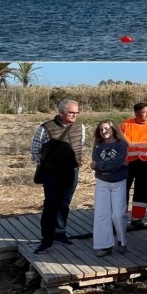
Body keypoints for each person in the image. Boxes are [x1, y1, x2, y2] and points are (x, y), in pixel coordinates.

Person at [31, 99, 86, 254]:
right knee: (50, 205)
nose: (75, 115)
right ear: (61, 112)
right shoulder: (45, 128)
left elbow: (80, 146)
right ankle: (47, 239)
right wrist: (46, 165)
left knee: (64, 203)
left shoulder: (80, 128)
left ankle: (60, 233)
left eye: (76, 112)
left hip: (71, 171)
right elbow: (35, 149)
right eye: (71, 112)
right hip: (52, 172)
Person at [91, 120, 129, 256]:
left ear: (113, 129)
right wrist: (109, 165)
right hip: (102, 182)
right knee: (101, 214)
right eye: (101, 129)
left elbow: (118, 162)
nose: (104, 131)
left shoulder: (122, 145)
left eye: (106, 128)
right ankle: (105, 245)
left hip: (118, 182)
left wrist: (99, 166)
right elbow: (94, 161)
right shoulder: (98, 146)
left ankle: (121, 240)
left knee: (118, 215)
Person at [120, 102, 147, 230]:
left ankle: (137, 219)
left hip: (145, 163)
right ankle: (120, 219)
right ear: (136, 113)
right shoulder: (126, 124)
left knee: (142, 192)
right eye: (144, 112)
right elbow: (120, 143)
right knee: (123, 191)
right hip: (128, 163)